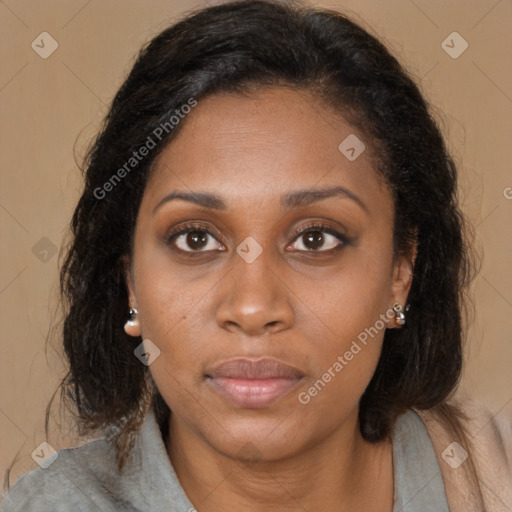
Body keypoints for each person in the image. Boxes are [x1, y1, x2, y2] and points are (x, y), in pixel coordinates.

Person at [1, 0, 510, 511]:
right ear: (130, 278)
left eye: (316, 239)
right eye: (195, 239)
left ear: (401, 271)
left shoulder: (492, 477)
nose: (252, 307)